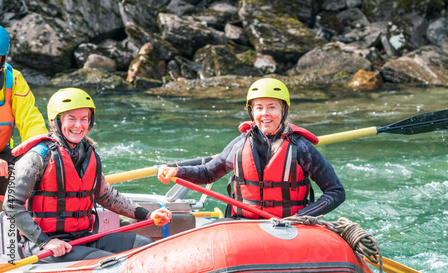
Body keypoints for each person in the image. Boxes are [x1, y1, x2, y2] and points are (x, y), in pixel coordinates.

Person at [4, 88, 172, 262]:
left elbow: (106, 195)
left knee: (146, 246)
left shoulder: (88, 153)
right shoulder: (37, 157)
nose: (79, 125)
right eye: (72, 119)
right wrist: (45, 242)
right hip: (43, 246)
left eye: (84, 119)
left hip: (84, 238)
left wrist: (147, 215)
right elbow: (11, 204)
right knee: (114, 262)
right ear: (57, 122)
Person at [158, 78, 345, 219]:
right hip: (242, 223)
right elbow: (208, 173)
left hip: (288, 226)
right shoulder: (240, 143)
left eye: (272, 107)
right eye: (259, 107)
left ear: (283, 111)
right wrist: (178, 171)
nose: (265, 114)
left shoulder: (301, 147)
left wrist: (300, 217)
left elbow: (335, 192)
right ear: (252, 112)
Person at [0, 25, 48, 207]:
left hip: (4, 154)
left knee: (45, 169)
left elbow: (32, 122)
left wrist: (41, 153)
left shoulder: (14, 80)